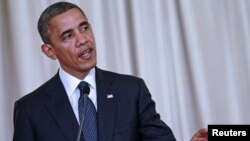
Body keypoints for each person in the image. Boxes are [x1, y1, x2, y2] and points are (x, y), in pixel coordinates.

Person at [13, 2, 207, 141]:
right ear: (50, 51)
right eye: (68, 36)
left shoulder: (131, 91)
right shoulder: (31, 110)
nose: (83, 40)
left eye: (84, 28)